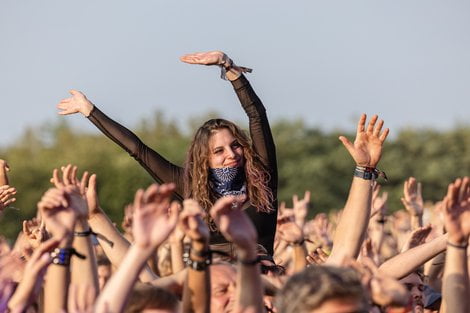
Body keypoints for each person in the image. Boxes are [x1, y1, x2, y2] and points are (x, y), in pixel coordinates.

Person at [57, 51, 278, 256]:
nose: (231, 154)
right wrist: (90, 111)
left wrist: (228, 67)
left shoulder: (262, 177)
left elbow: (257, 116)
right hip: (214, 288)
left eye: (235, 145)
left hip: (262, 286)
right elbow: (138, 150)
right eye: (219, 151)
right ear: (205, 160)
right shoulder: (190, 186)